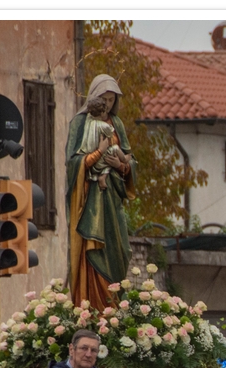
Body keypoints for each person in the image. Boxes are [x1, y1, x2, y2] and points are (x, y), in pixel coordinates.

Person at [66, 74, 136, 310]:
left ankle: (114, 309)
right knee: (92, 252)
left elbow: (129, 159)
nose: (107, 104)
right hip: (89, 200)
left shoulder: (117, 124)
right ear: (94, 98)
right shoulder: (79, 123)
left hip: (113, 201)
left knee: (121, 250)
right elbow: (73, 162)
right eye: (104, 99)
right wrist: (96, 156)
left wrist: (121, 166)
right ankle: (91, 309)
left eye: (111, 99)